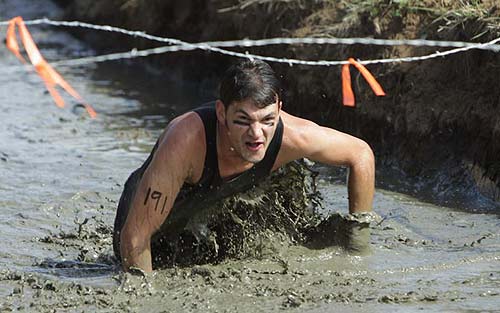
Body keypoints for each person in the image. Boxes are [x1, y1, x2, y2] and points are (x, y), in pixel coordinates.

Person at [113, 59, 375, 273]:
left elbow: (361, 155)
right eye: (243, 121)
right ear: (221, 112)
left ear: (279, 110)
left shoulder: (294, 136)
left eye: (267, 120)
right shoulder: (186, 141)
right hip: (146, 217)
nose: (257, 135)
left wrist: (357, 249)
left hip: (220, 202)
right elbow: (134, 238)